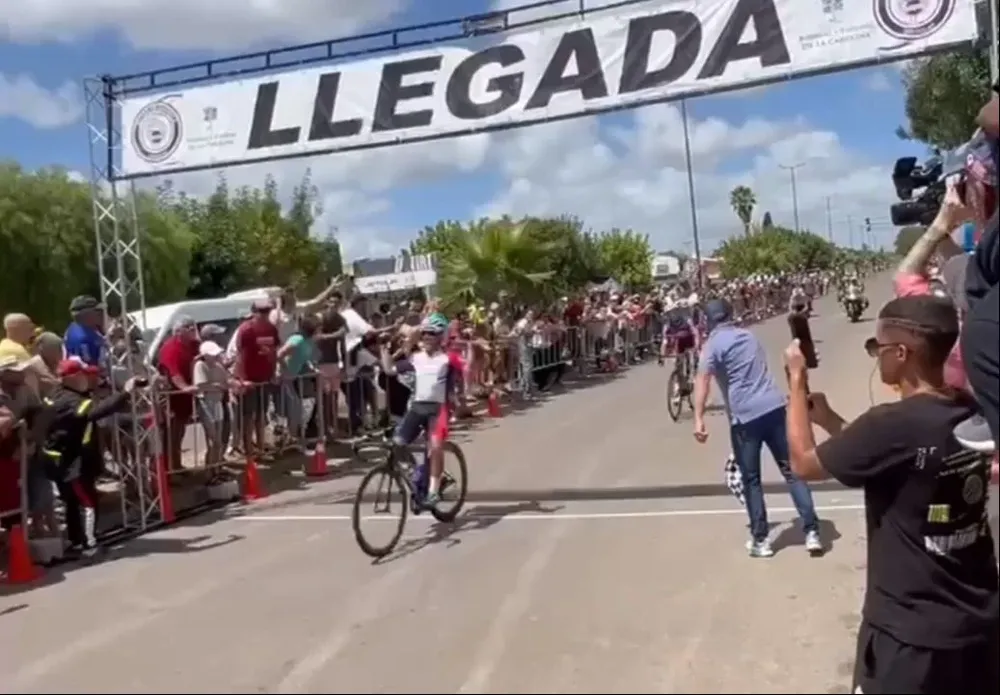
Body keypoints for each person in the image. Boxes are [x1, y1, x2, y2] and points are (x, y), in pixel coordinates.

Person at [782, 294, 998, 694]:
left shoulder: (893, 423)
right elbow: (892, 456)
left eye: (877, 348)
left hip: (910, 636)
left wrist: (796, 380)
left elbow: (803, 463)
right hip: (977, 625)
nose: (876, 358)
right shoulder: (969, 409)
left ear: (902, 353)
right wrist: (829, 420)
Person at [692, 298, 822, 558]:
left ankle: (761, 539)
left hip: (745, 418)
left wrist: (698, 417)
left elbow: (702, 380)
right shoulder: (748, 337)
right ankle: (812, 532)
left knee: (751, 480)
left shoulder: (712, 346)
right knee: (793, 471)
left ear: (707, 321)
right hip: (773, 408)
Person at [42, 358, 141, 556]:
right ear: (73, 377)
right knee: (88, 502)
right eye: (84, 375)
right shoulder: (71, 401)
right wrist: (126, 393)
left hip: (61, 459)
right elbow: (95, 412)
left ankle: (77, 541)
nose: (89, 378)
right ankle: (89, 544)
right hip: (73, 462)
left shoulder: (54, 396)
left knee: (72, 502)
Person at [392, 313, 463, 508]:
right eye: (424, 334)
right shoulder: (416, 357)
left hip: (438, 409)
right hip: (416, 406)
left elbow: (465, 367)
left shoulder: (448, 358)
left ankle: (433, 489)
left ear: (441, 336)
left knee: (435, 447)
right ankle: (417, 475)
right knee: (397, 443)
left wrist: (458, 397)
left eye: (432, 333)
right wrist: (386, 349)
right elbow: (391, 367)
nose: (426, 337)